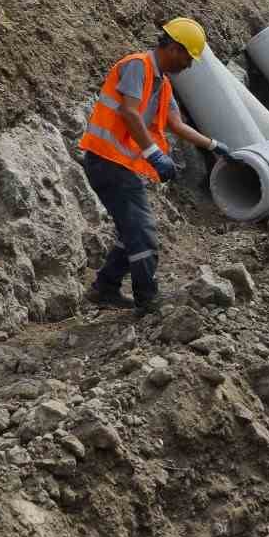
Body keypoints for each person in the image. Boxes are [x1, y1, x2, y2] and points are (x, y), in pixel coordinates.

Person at [81, 17, 233, 317]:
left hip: (118, 164)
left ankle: (105, 288)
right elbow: (128, 111)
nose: (189, 66)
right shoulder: (139, 66)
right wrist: (153, 154)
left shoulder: (161, 83)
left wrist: (215, 146)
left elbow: (176, 124)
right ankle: (147, 299)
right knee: (143, 231)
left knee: (131, 230)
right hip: (106, 161)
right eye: (188, 58)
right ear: (174, 48)